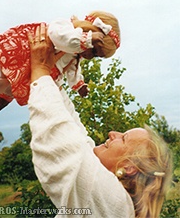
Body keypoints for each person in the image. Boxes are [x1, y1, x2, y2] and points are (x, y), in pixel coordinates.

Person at [28, 23, 173, 217]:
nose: (112, 133)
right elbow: (76, 134)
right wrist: (55, 77)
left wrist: (40, 71)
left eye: (123, 139)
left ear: (129, 167)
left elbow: (63, 144)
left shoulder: (113, 201)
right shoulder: (117, 202)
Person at [0, 10, 120, 130]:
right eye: (94, 50)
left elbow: (73, 70)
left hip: (27, 72)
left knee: (6, 96)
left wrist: (79, 85)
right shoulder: (66, 28)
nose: (90, 55)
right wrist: (87, 39)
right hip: (14, 58)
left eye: (96, 55)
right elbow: (60, 39)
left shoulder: (77, 52)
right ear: (90, 28)